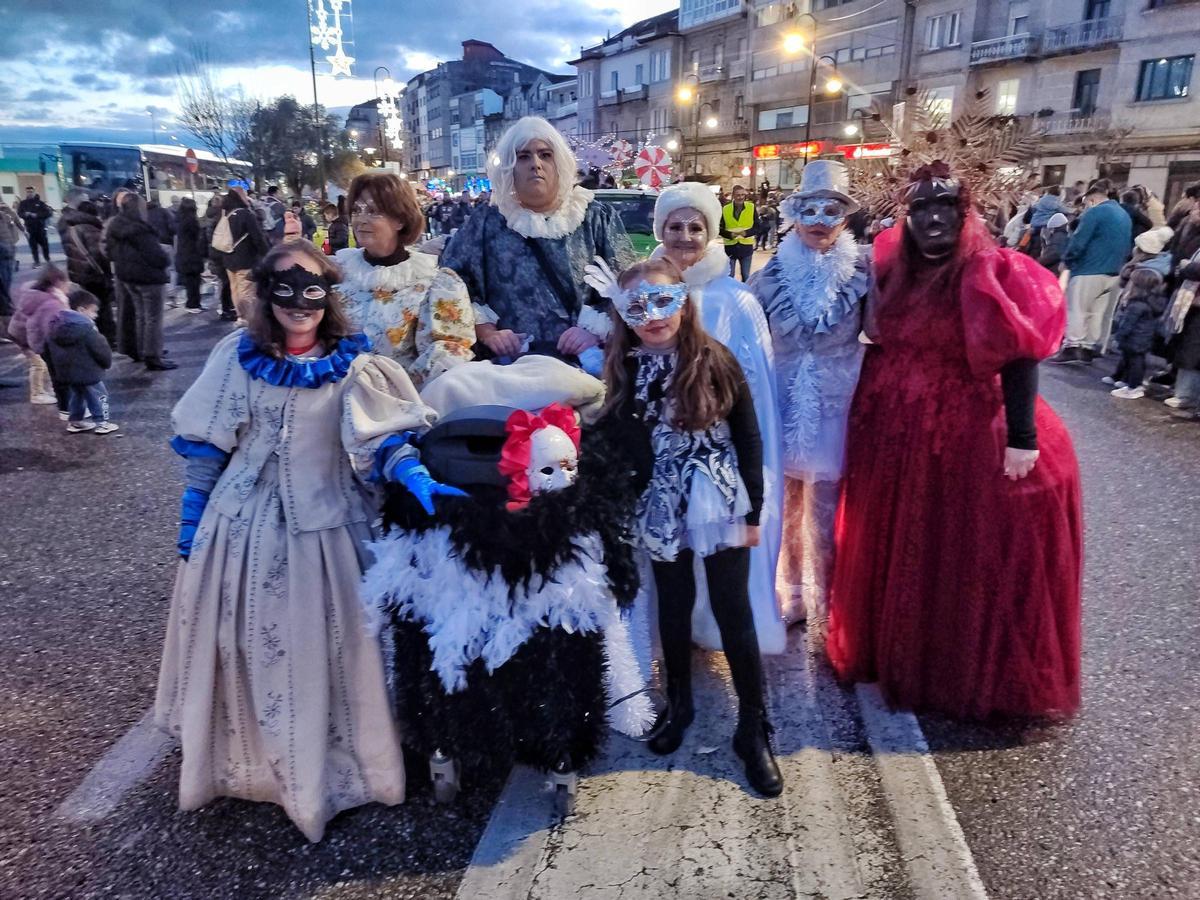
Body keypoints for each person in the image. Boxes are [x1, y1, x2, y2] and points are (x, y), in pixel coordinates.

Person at [155, 240, 458, 843]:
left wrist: (413, 474)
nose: (299, 304)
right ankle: (254, 766)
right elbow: (208, 447)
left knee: (340, 648)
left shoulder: (354, 365)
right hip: (242, 529)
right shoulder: (235, 357)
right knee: (248, 645)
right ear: (265, 294)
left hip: (331, 527)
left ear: (330, 297)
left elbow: (379, 438)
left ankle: (337, 769)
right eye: (285, 290)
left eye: (313, 290)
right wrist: (191, 521)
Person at [828, 161, 1082, 720]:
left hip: (963, 431)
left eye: (946, 206)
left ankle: (951, 668)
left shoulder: (993, 270)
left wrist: (1022, 436)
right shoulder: (892, 268)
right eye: (921, 208)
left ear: (966, 213)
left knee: (959, 552)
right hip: (893, 431)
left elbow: (1018, 354)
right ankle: (895, 653)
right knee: (903, 546)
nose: (933, 219)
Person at [598, 257, 783, 797]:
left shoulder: (713, 358)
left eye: (663, 302)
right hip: (659, 504)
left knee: (732, 609)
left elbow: (748, 436)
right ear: (623, 314)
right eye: (637, 307)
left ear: (684, 304)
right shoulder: (622, 364)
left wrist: (753, 513)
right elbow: (615, 437)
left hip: (717, 499)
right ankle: (679, 704)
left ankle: (753, 726)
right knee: (673, 605)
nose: (652, 316)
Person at [644, 181, 787, 655]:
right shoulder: (648, 291)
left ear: (710, 233)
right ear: (661, 231)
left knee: (720, 559)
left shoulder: (736, 299)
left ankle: (719, 633)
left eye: (695, 227)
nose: (685, 236)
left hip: (717, 462)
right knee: (672, 561)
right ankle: (674, 637)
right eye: (675, 226)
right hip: (663, 459)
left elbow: (755, 393)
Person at [749, 160, 870, 629]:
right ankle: (793, 593)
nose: (820, 221)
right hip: (781, 402)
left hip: (835, 405)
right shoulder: (769, 276)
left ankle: (833, 601)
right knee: (785, 504)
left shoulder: (864, 271)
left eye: (832, 210)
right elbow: (749, 337)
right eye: (811, 210)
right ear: (794, 214)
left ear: (845, 218)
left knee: (829, 509)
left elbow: (882, 328)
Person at [442, 116, 633, 362]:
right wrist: (487, 332)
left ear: (559, 163)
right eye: (523, 157)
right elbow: (452, 282)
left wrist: (595, 330)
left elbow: (628, 285)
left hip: (584, 363)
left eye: (545, 155)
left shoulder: (596, 217)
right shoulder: (486, 221)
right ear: (509, 167)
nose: (536, 164)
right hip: (510, 364)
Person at [335, 171, 474, 388]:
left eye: (373, 211)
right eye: (356, 210)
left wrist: (396, 393)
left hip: (401, 399)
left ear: (399, 220)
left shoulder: (434, 282)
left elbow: (447, 352)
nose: (361, 219)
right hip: (334, 392)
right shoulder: (337, 271)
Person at [1052, 181, 1133, 364]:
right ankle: (1088, 348)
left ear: (1093, 199)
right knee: (1097, 312)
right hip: (1113, 271)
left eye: (1086, 203)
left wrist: (1067, 260)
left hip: (1088, 268)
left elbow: (1079, 240)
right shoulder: (1124, 215)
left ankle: (1072, 346)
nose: (1085, 207)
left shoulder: (1095, 212)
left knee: (1078, 309)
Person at [106, 195, 177, 370]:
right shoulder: (140, 230)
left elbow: (109, 252)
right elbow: (156, 255)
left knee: (141, 315)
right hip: (148, 277)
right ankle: (152, 355)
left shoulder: (115, 226)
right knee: (153, 318)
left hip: (127, 277)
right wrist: (166, 259)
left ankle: (142, 350)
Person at [46, 287, 118, 433]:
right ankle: (102, 422)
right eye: (93, 311)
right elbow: (100, 349)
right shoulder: (87, 329)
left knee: (77, 396)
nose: (96, 315)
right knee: (99, 396)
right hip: (89, 371)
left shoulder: (55, 326)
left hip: (68, 372)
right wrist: (106, 363)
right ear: (81, 310)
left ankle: (75, 421)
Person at [9, 265, 69, 408]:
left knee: (44, 363)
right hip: (25, 337)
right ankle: (36, 394)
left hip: (20, 332)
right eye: (67, 283)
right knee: (39, 364)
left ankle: (46, 389)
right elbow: (43, 326)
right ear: (58, 282)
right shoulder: (50, 301)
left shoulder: (36, 293)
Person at [59, 199, 115, 345]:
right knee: (102, 307)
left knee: (89, 304)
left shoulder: (70, 228)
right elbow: (99, 255)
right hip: (95, 274)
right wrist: (108, 272)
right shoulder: (90, 229)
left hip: (79, 273)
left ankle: (95, 336)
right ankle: (108, 337)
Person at [1105, 267, 1167, 400]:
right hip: (1143, 337)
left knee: (1135, 362)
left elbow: (1128, 323)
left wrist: (1118, 336)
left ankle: (1133, 387)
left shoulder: (1137, 305)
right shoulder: (1152, 302)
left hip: (1134, 337)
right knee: (1132, 360)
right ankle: (1126, 380)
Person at [216, 186, 269, 325]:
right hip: (245, 258)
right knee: (246, 290)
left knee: (234, 288)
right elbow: (258, 237)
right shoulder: (246, 214)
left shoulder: (224, 214)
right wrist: (267, 254)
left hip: (228, 257)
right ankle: (247, 318)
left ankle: (240, 315)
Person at [102, 188, 141, 359]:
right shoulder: (113, 222)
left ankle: (143, 346)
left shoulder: (135, 219)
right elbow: (105, 247)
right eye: (121, 198)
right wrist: (120, 257)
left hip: (136, 270)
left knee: (139, 310)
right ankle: (132, 347)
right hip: (123, 271)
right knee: (127, 309)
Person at [203, 195, 236, 322]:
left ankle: (224, 307)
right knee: (225, 282)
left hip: (214, 251)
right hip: (222, 252)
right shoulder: (221, 217)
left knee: (222, 281)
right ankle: (225, 308)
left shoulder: (208, 215)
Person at [174, 198, 207, 314]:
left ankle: (194, 303)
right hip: (191, 254)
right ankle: (193, 304)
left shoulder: (180, 219)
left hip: (184, 254)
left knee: (191, 281)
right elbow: (197, 236)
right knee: (194, 281)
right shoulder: (191, 220)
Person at [720, 185, 758, 282]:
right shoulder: (725, 209)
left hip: (746, 247)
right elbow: (719, 228)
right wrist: (729, 235)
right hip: (730, 247)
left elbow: (758, 226)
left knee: (746, 276)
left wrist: (747, 233)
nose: (740, 197)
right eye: (738, 195)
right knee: (729, 276)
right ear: (733, 195)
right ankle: (729, 292)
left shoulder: (751, 207)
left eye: (742, 195)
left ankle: (745, 291)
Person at [0, 199, 25, 333]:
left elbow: (14, 224)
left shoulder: (6, 213)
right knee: (4, 281)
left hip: (8, 250)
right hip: (4, 250)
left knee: (6, 280)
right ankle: (6, 308)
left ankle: (7, 306)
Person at [147, 200, 177, 304]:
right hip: (166, 242)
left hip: (152, 245)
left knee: (156, 269)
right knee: (172, 269)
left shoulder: (145, 215)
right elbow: (173, 227)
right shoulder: (164, 212)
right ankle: (171, 295)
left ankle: (160, 295)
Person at [18, 187, 52, 265]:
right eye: (28, 192)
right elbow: (19, 213)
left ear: (34, 192)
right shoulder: (23, 203)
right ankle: (36, 261)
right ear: (26, 193)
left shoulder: (40, 203)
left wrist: (37, 215)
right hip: (30, 228)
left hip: (40, 228)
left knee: (45, 245)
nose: (29, 193)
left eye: (31, 192)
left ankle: (47, 259)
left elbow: (48, 213)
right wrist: (25, 214)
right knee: (33, 246)